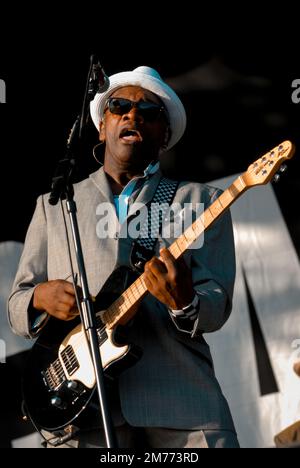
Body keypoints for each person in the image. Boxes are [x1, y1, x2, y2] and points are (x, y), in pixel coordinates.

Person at [8, 66, 239, 448]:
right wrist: (39, 298)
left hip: (183, 409)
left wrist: (186, 303)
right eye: (120, 106)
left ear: (163, 136)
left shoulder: (201, 202)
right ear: (102, 126)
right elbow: (17, 304)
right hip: (84, 416)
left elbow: (217, 304)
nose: (133, 115)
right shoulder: (55, 206)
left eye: (149, 112)